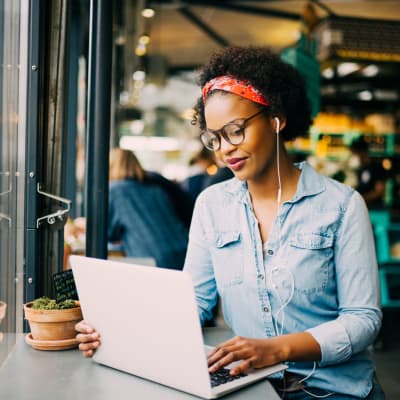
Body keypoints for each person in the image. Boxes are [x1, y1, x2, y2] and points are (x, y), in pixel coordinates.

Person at [76, 47, 384, 399]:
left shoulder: (341, 205)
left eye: (235, 131)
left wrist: (278, 349)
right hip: (253, 388)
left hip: (335, 392)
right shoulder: (212, 205)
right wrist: (116, 332)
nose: (224, 149)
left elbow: (363, 320)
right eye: (215, 137)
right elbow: (192, 302)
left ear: (276, 119)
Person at [107, 148, 190, 269]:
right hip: (183, 252)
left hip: (153, 259)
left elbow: (110, 234)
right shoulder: (156, 189)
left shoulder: (115, 190)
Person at [350, 136, 387, 210]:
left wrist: (360, 199)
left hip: (374, 209)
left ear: (361, 153)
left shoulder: (377, 167)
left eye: (354, 154)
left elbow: (379, 191)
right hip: (361, 208)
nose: (353, 157)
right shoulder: (360, 169)